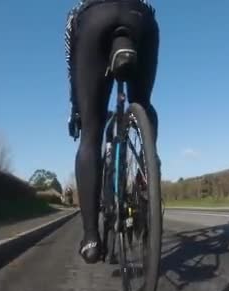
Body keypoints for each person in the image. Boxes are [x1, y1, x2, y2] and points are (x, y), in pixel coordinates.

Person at [64, 0, 160, 264]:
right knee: (142, 103)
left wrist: (76, 108)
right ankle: (148, 174)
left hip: (94, 16)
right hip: (141, 17)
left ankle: (91, 237)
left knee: (90, 134)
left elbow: (72, 56)